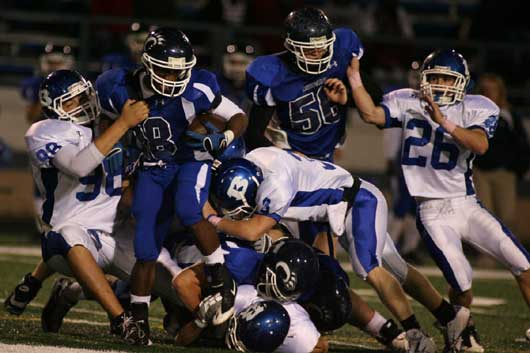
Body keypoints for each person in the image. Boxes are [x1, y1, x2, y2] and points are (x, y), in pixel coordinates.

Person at [342, 48, 530, 350]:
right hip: (432, 211)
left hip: (466, 204)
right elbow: (371, 114)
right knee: (462, 283)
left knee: (522, 263)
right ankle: (458, 334)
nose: (441, 84)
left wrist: (444, 121)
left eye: (447, 78)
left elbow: (480, 145)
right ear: (424, 80)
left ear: (462, 82)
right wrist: (354, 78)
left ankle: (461, 332)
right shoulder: (408, 100)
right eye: (435, 78)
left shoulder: (477, 107)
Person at [207, 150, 474, 353]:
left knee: (369, 269)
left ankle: (415, 334)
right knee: (397, 268)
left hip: (355, 203)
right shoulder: (257, 159)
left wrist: (213, 220)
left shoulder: (274, 185)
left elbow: (253, 230)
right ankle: (450, 317)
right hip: (343, 201)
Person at [95, 27, 248, 344]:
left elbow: (237, 116)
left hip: (190, 160)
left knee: (189, 209)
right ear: (147, 63)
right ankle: (139, 319)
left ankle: (219, 277)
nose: (173, 76)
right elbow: (107, 121)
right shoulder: (119, 86)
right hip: (152, 167)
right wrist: (117, 153)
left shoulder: (198, 88)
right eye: (165, 69)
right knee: (145, 245)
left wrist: (224, 139)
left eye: (179, 70)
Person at [4, 69, 149, 343]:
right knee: (70, 233)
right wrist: (123, 124)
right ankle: (121, 320)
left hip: (113, 229)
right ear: (55, 108)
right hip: (70, 233)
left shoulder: (105, 124)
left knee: (155, 281)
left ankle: (70, 291)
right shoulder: (48, 131)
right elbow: (81, 167)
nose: (81, 105)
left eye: (83, 96)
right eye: (71, 102)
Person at [474, 73, 530, 232]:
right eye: (485, 90)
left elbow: (521, 144)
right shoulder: (473, 113)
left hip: (504, 173)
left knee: (507, 217)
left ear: (500, 92)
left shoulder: (509, 114)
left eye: (493, 90)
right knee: (484, 218)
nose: (489, 94)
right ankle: (485, 257)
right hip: (479, 172)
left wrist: (517, 168)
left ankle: (507, 254)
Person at [216, 41, 256, 113]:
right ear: (223, 62)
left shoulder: (261, 88)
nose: (237, 68)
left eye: (243, 63)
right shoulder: (212, 85)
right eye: (233, 62)